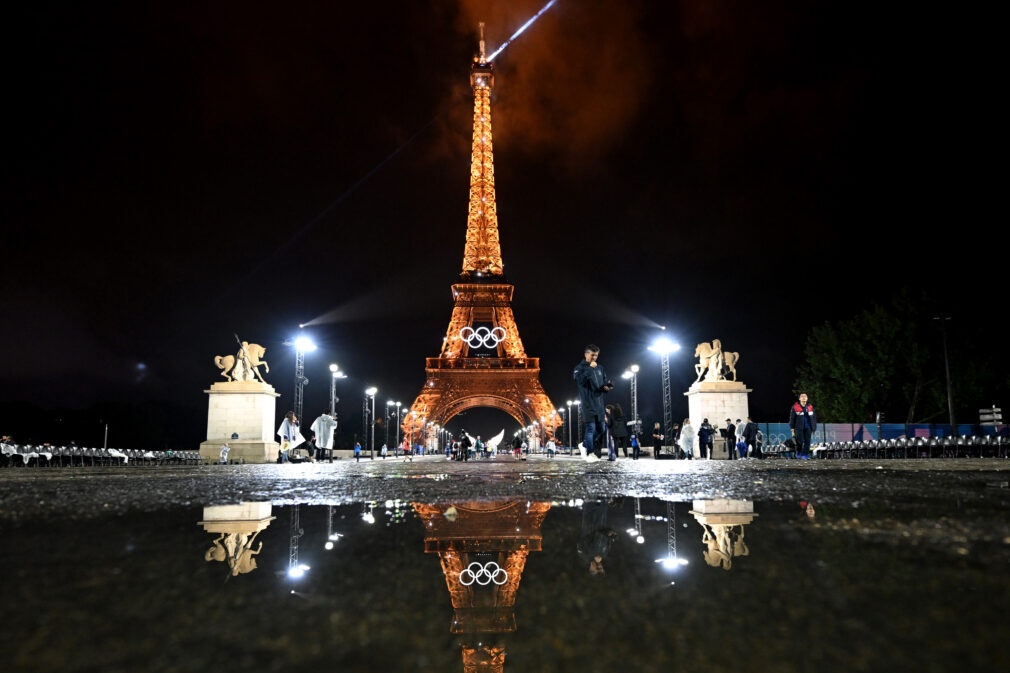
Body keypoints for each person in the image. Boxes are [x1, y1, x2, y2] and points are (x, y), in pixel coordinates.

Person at [573, 344, 614, 462]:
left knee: (601, 429)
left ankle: (585, 444)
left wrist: (606, 387)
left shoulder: (600, 368)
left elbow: (603, 382)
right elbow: (579, 381)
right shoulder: (579, 368)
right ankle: (590, 453)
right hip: (587, 403)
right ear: (586, 354)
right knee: (590, 428)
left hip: (599, 403)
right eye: (592, 355)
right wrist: (590, 368)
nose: (594, 358)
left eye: (596, 355)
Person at [789, 393, 817, 459]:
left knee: (807, 442)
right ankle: (798, 452)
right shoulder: (795, 407)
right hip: (798, 428)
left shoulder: (810, 407)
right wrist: (792, 427)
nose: (804, 397)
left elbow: (814, 418)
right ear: (799, 399)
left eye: (805, 397)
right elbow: (792, 418)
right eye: (802, 396)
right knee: (800, 441)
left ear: (807, 399)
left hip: (808, 427)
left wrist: (814, 428)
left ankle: (805, 455)